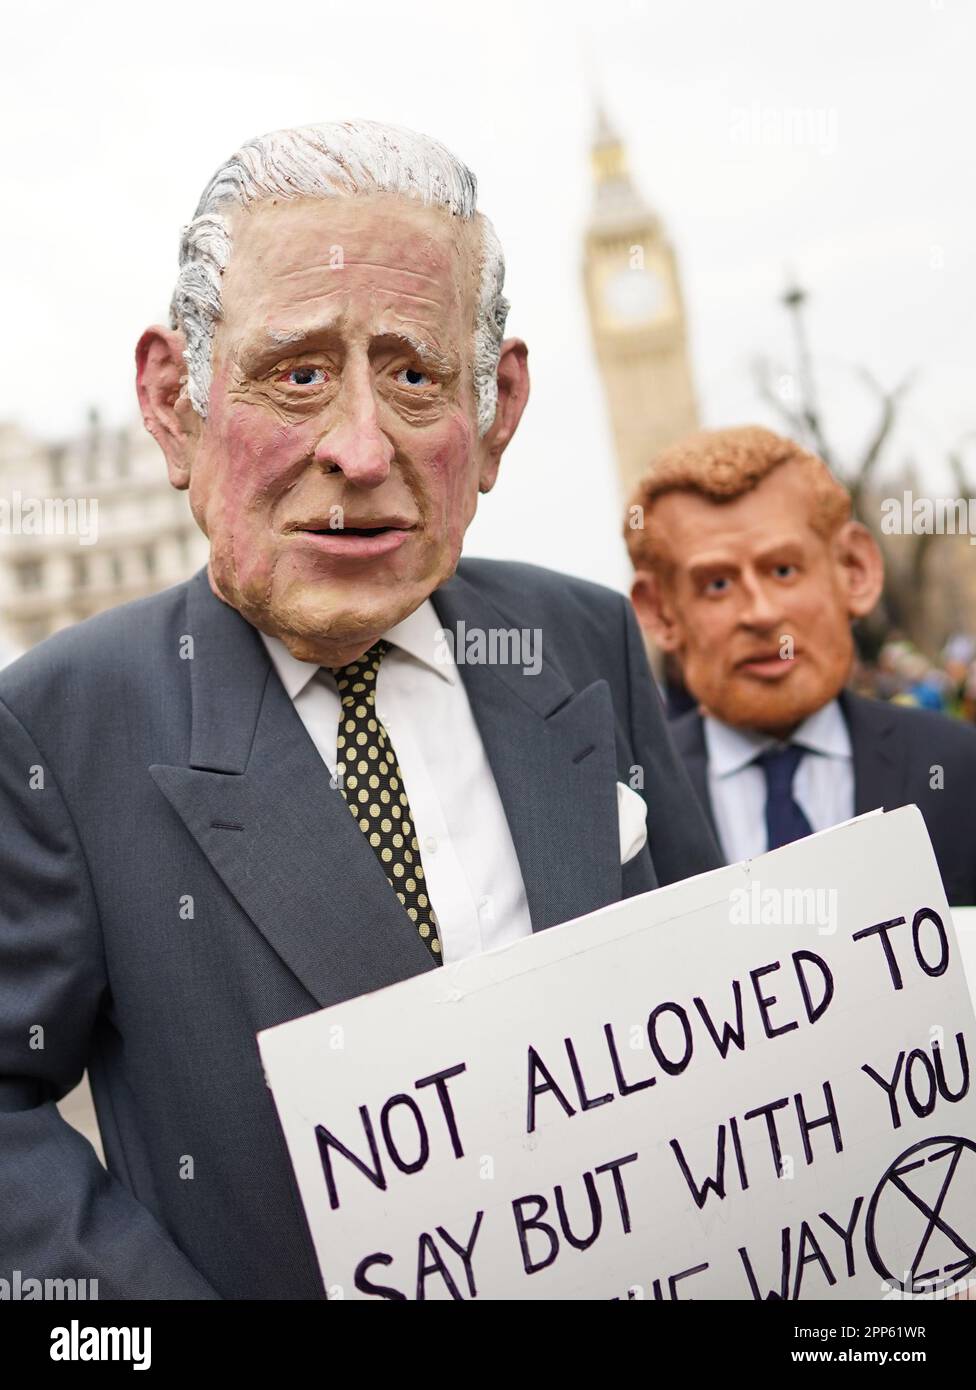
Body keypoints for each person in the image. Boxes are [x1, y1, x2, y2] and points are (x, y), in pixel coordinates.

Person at [0, 120, 719, 1300]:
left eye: (414, 375)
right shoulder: (57, 730)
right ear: (174, 402)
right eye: (297, 374)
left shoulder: (581, 642)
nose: (359, 447)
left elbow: (716, 1004)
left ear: (497, 413)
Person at [625, 424, 976, 905]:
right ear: (661, 611)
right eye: (717, 585)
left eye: (784, 570)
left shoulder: (960, 767)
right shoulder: (624, 816)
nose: (761, 613)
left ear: (853, 571)